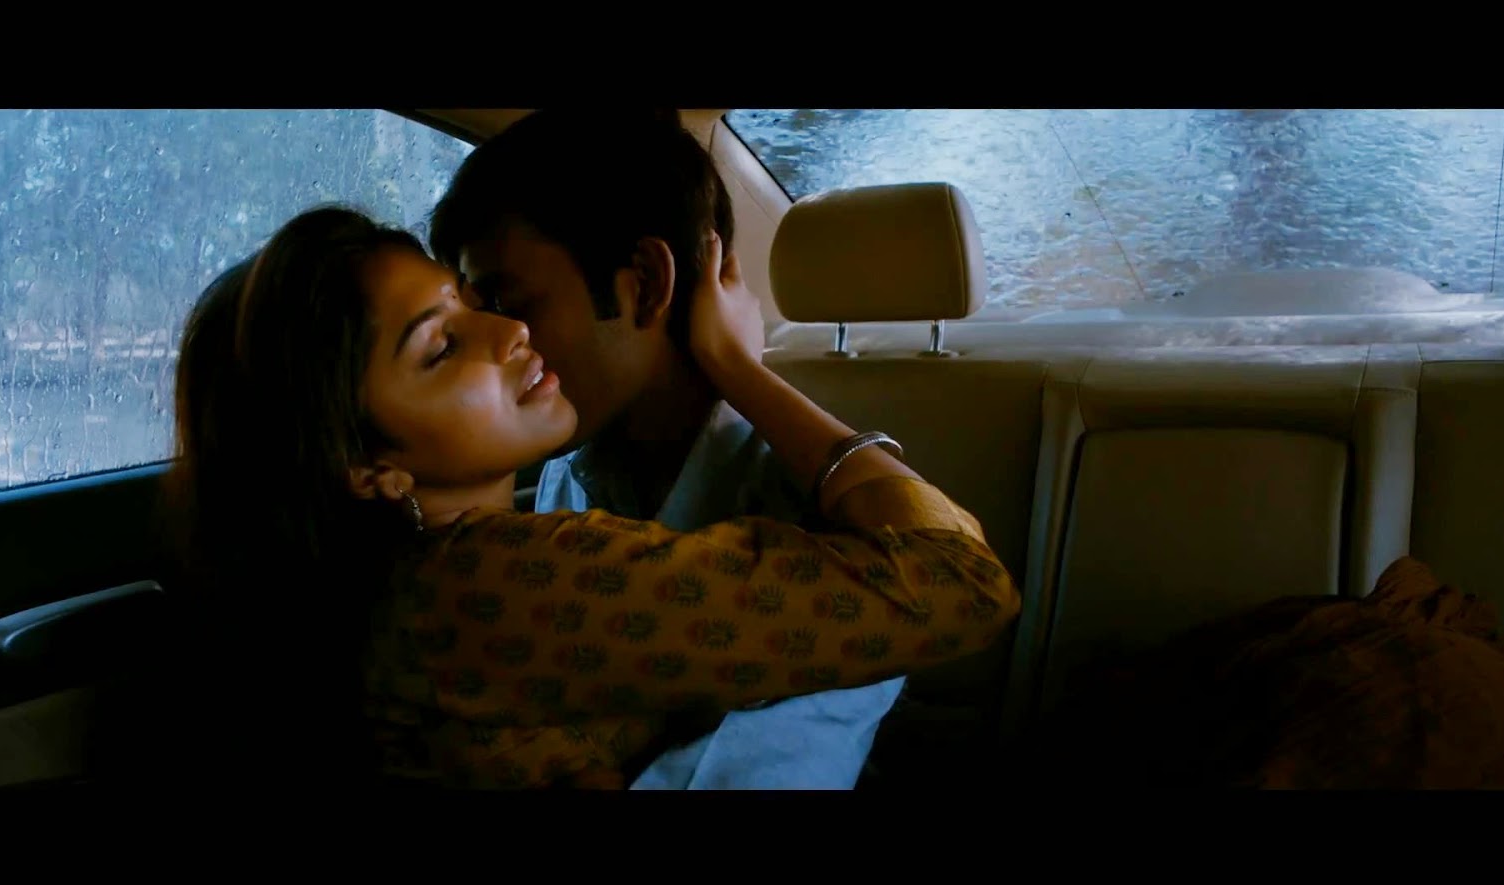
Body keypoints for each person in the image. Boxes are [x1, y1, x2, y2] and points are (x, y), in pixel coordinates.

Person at [160, 204, 1019, 788]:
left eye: (477, 301)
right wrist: (738, 367)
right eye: (440, 348)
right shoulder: (491, 584)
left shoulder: (407, 584)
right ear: (366, 467)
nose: (509, 331)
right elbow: (962, 585)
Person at [426, 108, 910, 788]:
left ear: (647, 285)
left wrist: (739, 370)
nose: (497, 343)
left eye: (510, 304)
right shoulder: (570, 471)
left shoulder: (830, 534)